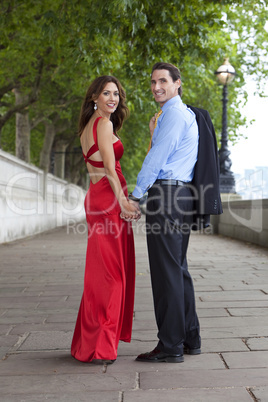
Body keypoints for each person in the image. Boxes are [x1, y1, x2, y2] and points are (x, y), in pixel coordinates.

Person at [129, 62, 222, 363]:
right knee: (178, 269)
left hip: (166, 196)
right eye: (153, 81)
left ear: (178, 83)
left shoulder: (173, 114)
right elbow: (164, 153)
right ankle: (190, 339)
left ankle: (170, 346)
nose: (156, 87)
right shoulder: (186, 115)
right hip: (181, 196)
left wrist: (136, 195)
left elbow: (157, 160)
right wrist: (153, 133)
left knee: (166, 272)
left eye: (163, 81)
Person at [71, 75, 141, 364]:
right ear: (94, 98)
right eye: (106, 93)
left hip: (97, 199)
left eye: (116, 94)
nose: (113, 98)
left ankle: (87, 344)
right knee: (113, 276)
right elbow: (110, 170)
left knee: (100, 274)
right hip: (109, 200)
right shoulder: (104, 124)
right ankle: (101, 346)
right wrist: (123, 200)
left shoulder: (87, 127)